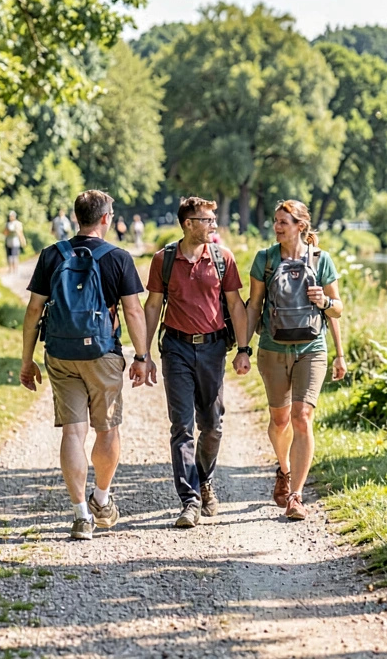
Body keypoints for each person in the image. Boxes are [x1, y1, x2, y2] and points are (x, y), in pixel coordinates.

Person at [20, 190, 155, 540]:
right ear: (106, 218)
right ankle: (101, 499)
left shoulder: (52, 255)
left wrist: (27, 360)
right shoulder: (118, 257)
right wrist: (142, 357)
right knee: (107, 430)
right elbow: (133, 311)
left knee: (73, 432)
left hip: (60, 354)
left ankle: (81, 515)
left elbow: (34, 310)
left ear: (76, 217)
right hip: (102, 354)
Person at [142, 197, 251, 528]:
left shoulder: (222, 258)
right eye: (207, 219)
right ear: (188, 223)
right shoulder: (164, 260)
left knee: (213, 426)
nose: (213, 224)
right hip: (175, 348)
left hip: (213, 349)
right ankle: (189, 500)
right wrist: (143, 354)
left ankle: (204, 480)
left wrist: (244, 349)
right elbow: (152, 307)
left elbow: (236, 305)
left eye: (213, 219)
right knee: (182, 426)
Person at [245, 200, 345, 521]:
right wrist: (243, 348)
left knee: (302, 417)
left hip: (311, 349)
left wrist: (324, 301)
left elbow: (337, 309)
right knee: (280, 421)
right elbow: (254, 306)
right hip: (272, 348)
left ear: (300, 226)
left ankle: (296, 496)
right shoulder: (265, 259)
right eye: (275, 221)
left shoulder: (321, 259)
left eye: (283, 222)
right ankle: (284, 469)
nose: (276, 227)